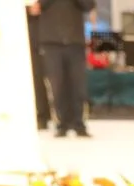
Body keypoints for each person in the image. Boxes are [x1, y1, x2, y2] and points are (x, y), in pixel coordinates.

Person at [32, 0, 92, 137]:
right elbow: (36, 7)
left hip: (75, 41)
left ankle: (79, 123)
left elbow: (88, 5)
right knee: (57, 85)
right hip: (51, 42)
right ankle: (62, 123)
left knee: (78, 85)